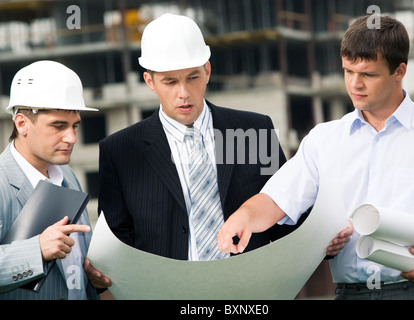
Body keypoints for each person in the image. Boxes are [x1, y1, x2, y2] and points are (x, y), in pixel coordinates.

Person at [85, 13, 347, 291]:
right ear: (150, 81)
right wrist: (100, 278)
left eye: (193, 77)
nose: (184, 92)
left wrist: (324, 240)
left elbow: (285, 216)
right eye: (170, 82)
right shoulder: (121, 150)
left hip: (249, 295)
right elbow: (117, 243)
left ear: (207, 71)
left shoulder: (254, 131)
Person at [217, 15, 414, 300]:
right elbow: (278, 198)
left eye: (368, 74)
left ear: (399, 71)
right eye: (348, 71)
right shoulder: (323, 140)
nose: (355, 84)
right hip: (348, 294)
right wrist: (244, 217)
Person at [0, 60, 99, 299]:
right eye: (58, 126)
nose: (72, 137)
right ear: (22, 123)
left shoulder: (67, 176)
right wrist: (35, 251)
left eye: (74, 126)